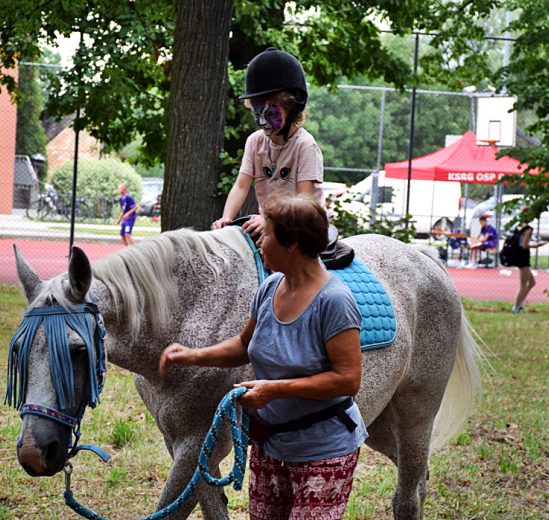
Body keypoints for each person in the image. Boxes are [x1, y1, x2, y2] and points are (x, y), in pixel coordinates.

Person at [162, 192, 367, 520]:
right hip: (271, 446)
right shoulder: (270, 287)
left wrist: (275, 389)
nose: (259, 242)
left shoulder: (335, 301)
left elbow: (348, 380)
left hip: (324, 451)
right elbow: (244, 345)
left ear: (293, 244)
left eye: (267, 234)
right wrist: (192, 355)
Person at [211, 48, 324, 242]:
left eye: (271, 114)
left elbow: (304, 201)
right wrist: (226, 218)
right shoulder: (255, 141)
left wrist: (269, 220)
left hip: (304, 227)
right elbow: (241, 186)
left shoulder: (305, 145)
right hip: (273, 225)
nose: (262, 122)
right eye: (257, 114)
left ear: (292, 107)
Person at [512, 210, 546, 313]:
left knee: (532, 282)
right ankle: (516, 307)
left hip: (519, 257)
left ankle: (520, 304)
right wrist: (537, 245)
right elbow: (525, 245)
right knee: (523, 284)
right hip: (523, 258)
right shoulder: (528, 229)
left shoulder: (519, 227)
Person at [115, 183, 137, 247]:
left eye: (120, 188)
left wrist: (127, 214)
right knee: (122, 234)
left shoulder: (128, 197)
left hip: (130, 218)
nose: (118, 190)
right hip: (125, 220)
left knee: (127, 234)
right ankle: (126, 248)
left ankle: (133, 248)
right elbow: (123, 210)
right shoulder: (121, 198)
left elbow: (135, 207)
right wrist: (119, 219)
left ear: (124, 189)